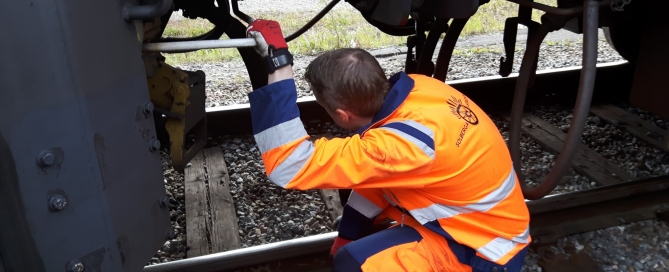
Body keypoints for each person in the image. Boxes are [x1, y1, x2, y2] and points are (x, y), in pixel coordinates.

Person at [245, 19, 531, 272]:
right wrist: (349, 233)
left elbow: (288, 164)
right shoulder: (421, 88)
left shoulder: (399, 146)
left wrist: (279, 65)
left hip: (484, 253)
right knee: (353, 242)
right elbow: (378, 184)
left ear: (342, 116)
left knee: (355, 264)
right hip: (488, 227)